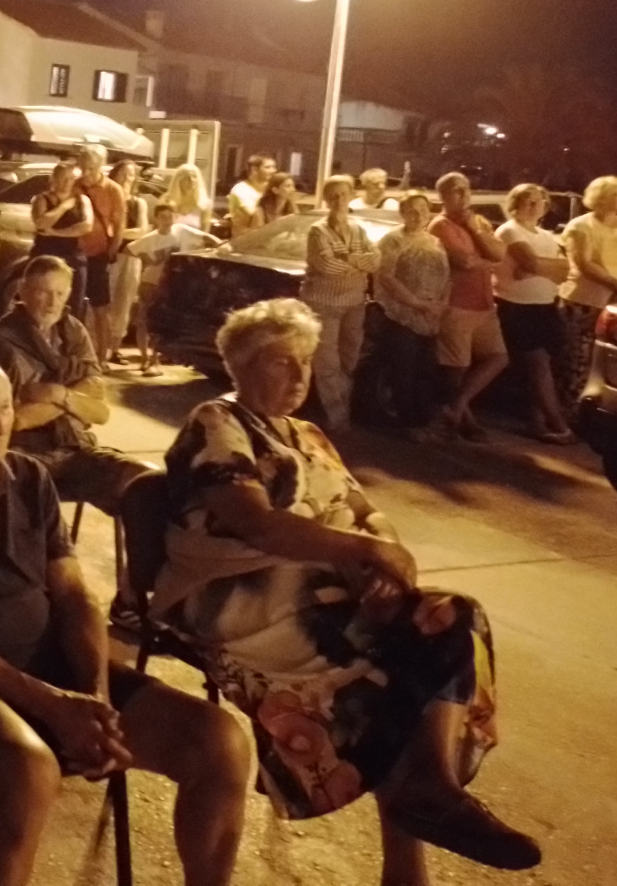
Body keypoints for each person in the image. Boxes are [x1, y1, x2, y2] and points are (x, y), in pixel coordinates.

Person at [155, 298, 540, 879]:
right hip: (243, 596)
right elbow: (256, 523)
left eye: (306, 361)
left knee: (450, 617)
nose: (299, 374)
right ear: (241, 366)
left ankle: (430, 787)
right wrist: (363, 553)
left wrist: (382, 563)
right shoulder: (218, 422)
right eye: (281, 361)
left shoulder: (308, 434)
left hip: (326, 587)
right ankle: (413, 836)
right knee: (397, 671)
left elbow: (364, 512)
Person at [0, 351, 251, 886]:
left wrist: (95, 697)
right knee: (28, 773)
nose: (0, 424)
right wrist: (50, 704)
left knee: (219, 740)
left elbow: (72, 594)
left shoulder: (27, 477)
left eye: (5, 406)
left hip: (49, 663)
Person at [0, 255, 150, 514]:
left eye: (60, 293)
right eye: (43, 292)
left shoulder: (74, 332)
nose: (52, 303)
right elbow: (17, 420)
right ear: (23, 291)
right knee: (24, 502)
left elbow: (100, 412)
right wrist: (77, 398)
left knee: (147, 483)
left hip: (77, 450)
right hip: (23, 455)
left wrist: (58, 394)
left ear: (69, 293)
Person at [492, 184, 575, 443]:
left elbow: (566, 269)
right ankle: (558, 424)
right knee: (538, 363)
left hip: (545, 306)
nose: (534, 205)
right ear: (515, 204)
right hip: (517, 306)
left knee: (545, 365)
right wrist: (536, 267)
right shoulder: (510, 231)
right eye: (528, 200)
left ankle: (536, 422)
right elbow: (531, 262)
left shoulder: (546, 236)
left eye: (539, 201)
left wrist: (535, 269)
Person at [428, 173, 508, 441]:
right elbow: (464, 262)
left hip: (484, 305)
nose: (463, 196)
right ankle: (462, 421)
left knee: (498, 357)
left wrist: (475, 229)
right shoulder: (440, 226)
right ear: (443, 196)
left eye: (466, 190)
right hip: (457, 304)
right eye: (456, 191)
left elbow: (499, 253)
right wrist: (488, 263)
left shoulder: (478, 222)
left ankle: (456, 408)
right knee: (456, 367)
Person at [299, 174, 380, 433]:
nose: (338, 200)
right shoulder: (318, 231)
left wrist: (348, 259)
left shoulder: (358, 229)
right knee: (327, 362)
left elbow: (375, 260)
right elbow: (325, 265)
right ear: (326, 199)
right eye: (333, 195)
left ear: (351, 196)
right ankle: (337, 416)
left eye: (343, 194)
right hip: (324, 304)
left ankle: (341, 405)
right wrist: (357, 263)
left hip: (354, 302)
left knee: (349, 357)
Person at [374, 191, 451, 438]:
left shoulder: (435, 242)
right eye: (412, 211)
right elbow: (386, 277)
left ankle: (423, 420)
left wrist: (441, 303)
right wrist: (417, 303)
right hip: (402, 316)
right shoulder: (392, 240)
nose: (418, 215)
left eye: (423, 210)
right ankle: (407, 423)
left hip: (430, 317)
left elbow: (446, 276)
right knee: (403, 371)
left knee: (425, 371)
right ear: (403, 213)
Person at [556, 175, 617, 417]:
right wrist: (616, 284)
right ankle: (564, 414)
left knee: (603, 364)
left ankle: (591, 411)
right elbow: (584, 264)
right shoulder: (581, 226)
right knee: (576, 361)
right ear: (602, 198)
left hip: (614, 305)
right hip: (582, 302)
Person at [126, 203, 217, 375]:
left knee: (160, 321)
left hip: (170, 281)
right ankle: (144, 358)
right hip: (150, 281)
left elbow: (207, 237)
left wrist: (218, 247)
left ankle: (154, 359)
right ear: (156, 219)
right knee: (144, 320)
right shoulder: (151, 238)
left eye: (170, 216)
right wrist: (146, 258)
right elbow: (129, 248)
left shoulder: (181, 231)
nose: (167, 220)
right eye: (163, 217)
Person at [75, 145, 125, 369]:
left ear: (101, 166)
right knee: (74, 306)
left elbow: (119, 224)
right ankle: (76, 356)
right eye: (83, 168)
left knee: (101, 308)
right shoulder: (75, 185)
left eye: (91, 169)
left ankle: (101, 358)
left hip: (98, 254)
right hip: (75, 254)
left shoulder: (113, 190)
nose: (86, 173)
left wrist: (111, 251)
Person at [28, 161, 92, 315]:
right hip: (46, 254)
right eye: (63, 178)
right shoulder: (41, 199)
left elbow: (86, 226)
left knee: (74, 303)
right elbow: (41, 223)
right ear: (54, 179)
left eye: (71, 178)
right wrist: (63, 207)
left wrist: (56, 232)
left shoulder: (82, 200)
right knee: (42, 302)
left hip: (73, 256)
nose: (67, 182)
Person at [105, 158, 148, 364]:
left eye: (130, 174)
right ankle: (99, 347)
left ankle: (115, 349)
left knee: (124, 303)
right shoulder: (108, 199)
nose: (125, 178)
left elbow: (142, 231)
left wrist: (117, 234)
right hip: (108, 256)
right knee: (104, 301)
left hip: (130, 257)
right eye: (122, 173)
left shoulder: (138, 203)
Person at [227, 154, 276, 236]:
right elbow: (256, 214)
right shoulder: (241, 189)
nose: (273, 171)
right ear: (254, 170)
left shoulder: (272, 189)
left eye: (274, 167)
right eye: (268, 167)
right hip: (246, 239)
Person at [161, 162, 213, 232]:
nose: (191, 180)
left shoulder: (205, 204)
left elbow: (205, 233)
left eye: (194, 177)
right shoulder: (166, 200)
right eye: (187, 177)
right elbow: (159, 230)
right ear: (179, 180)